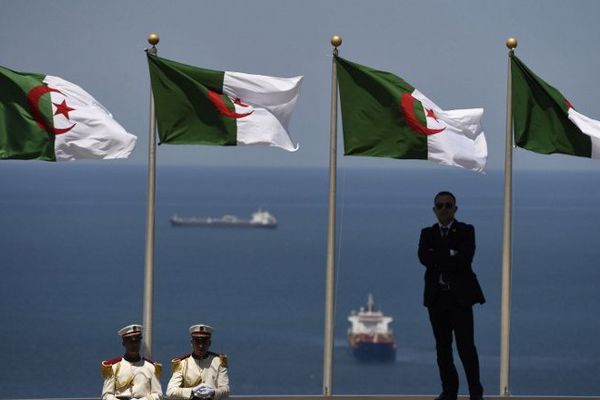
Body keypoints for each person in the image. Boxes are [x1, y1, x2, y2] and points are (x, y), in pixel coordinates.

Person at [418, 191, 486, 400]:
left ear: (455, 209)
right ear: (434, 210)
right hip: (437, 299)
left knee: (466, 347)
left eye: (448, 205)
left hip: (460, 299)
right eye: (440, 205)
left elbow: (465, 258)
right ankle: (449, 391)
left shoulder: (466, 230)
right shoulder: (426, 233)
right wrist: (450, 253)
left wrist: (438, 253)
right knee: (443, 349)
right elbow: (423, 258)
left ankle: (475, 392)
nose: (444, 209)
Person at [166, 324, 229, 400]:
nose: (201, 346)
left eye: (204, 342)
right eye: (197, 342)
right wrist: (191, 391)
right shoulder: (182, 364)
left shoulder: (218, 362)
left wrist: (213, 392)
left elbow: (226, 390)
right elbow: (170, 391)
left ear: (209, 343)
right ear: (192, 343)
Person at [101, 324, 163, 400]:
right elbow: (107, 395)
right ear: (124, 344)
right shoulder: (114, 367)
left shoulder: (151, 367)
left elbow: (158, 394)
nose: (134, 345)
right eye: (131, 342)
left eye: (137, 342)